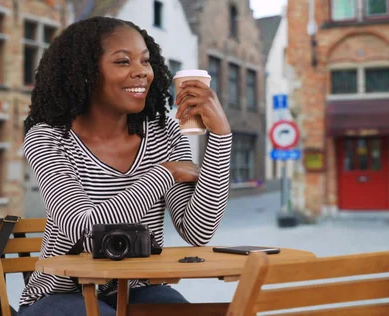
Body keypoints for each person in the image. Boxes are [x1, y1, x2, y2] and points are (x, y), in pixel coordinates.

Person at [18, 16, 232, 316]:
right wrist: (167, 173)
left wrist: (221, 136)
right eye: (123, 62)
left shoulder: (164, 133)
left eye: (145, 61)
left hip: (136, 289)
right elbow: (84, 227)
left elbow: (197, 230)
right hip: (60, 294)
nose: (141, 72)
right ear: (86, 72)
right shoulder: (49, 139)